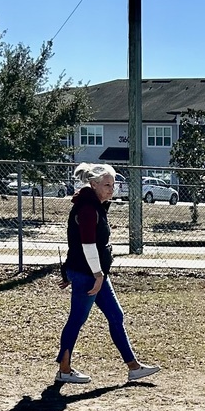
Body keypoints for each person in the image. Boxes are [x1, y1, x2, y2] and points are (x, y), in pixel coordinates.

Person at [55, 162, 160, 385]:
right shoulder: (87, 208)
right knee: (77, 319)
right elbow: (86, 245)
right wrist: (96, 274)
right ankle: (64, 369)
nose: (112, 189)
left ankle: (133, 367)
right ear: (93, 185)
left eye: (113, 184)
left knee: (115, 316)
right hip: (89, 274)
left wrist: (91, 272)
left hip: (94, 273)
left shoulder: (95, 205)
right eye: (107, 185)